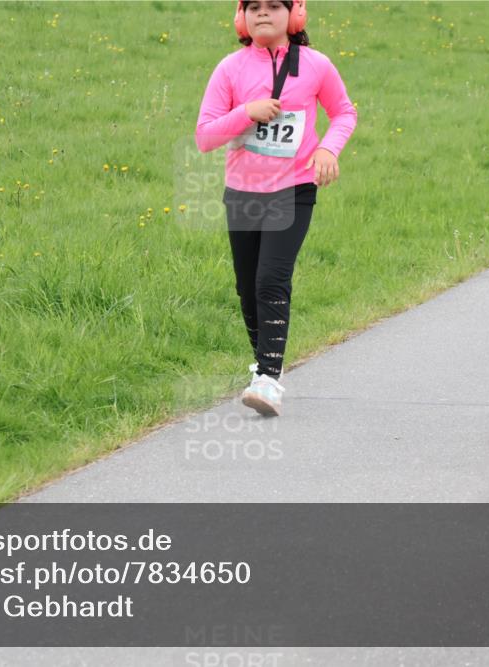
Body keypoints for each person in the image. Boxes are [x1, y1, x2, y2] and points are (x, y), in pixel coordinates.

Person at [195, 0, 357, 416]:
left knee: (271, 279)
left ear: (294, 15)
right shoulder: (230, 68)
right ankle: (264, 367)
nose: (263, 13)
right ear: (241, 16)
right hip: (244, 191)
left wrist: (326, 149)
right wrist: (245, 112)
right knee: (247, 288)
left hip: (295, 188)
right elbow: (205, 136)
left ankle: (268, 378)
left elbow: (343, 113)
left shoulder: (317, 64)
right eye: (254, 7)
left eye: (273, 6)